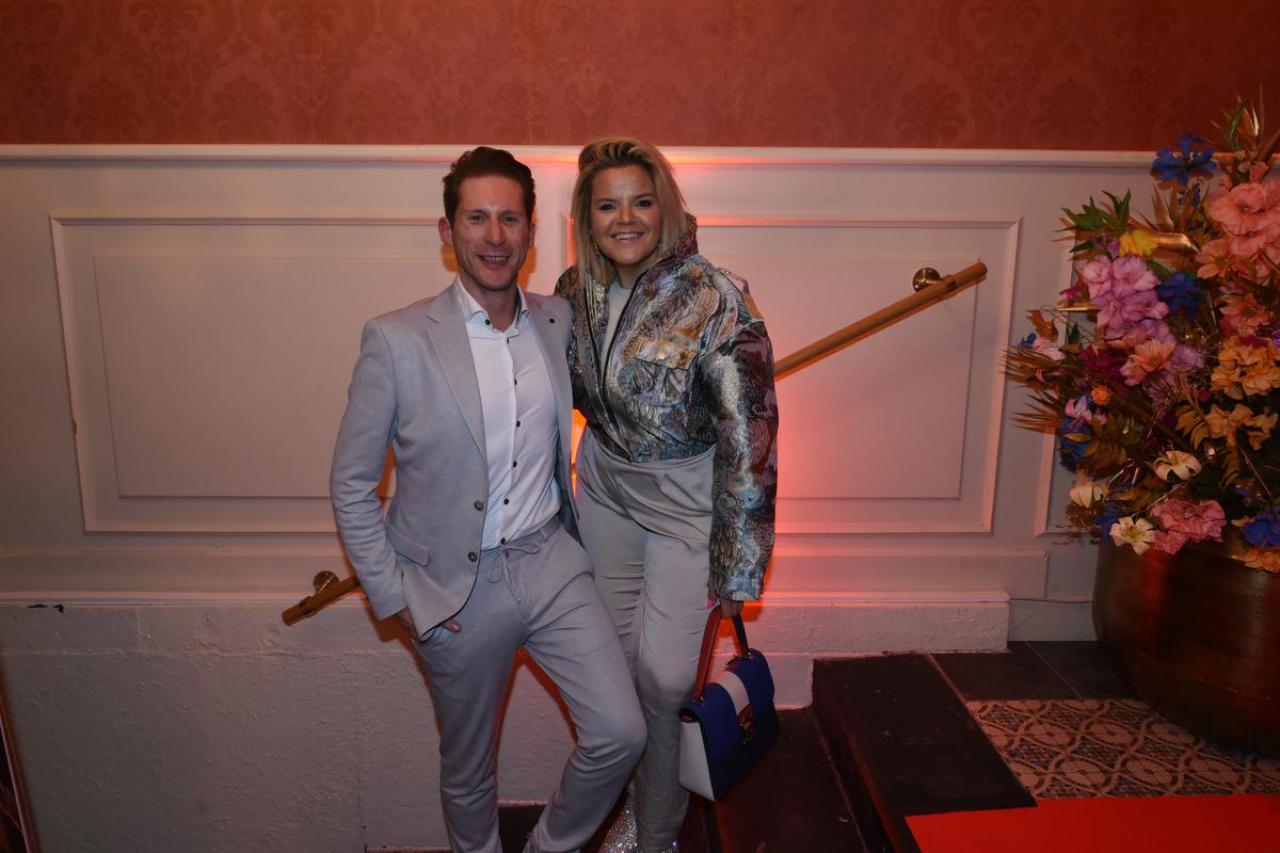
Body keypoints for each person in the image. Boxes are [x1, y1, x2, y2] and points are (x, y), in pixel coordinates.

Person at [331, 146, 645, 853]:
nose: (495, 236)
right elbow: (351, 484)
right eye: (476, 218)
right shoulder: (396, 340)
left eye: (510, 218)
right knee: (470, 772)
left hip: (550, 561)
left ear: (531, 232)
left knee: (621, 732)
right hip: (454, 591)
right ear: (447, 232)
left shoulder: (560, 321)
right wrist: (398, 597)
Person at [554, 138, 779, 852]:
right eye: (607, 205)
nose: (625, 219)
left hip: (686, 507)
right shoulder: (572, 291)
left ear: (667, 208)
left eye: (641, 201)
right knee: (614, 673)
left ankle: (656, 835)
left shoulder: (718, 297)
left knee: (665, 678)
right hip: (606, 492)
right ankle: (638, 807)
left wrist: (739, 567)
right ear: (586, 219)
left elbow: (752, 438)